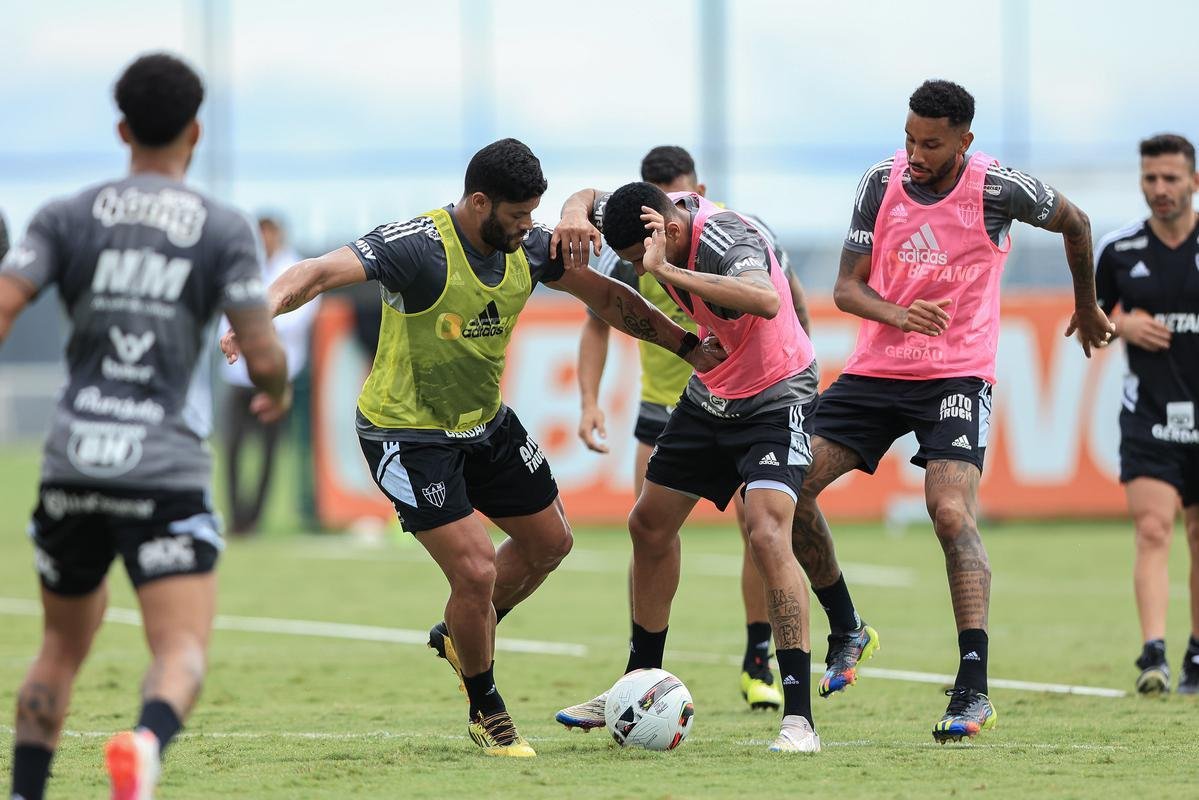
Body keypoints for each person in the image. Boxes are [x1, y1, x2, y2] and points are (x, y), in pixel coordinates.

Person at [219, 138, 722, 758]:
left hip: (483, 425)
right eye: (516, 217)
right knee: (477, 568)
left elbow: (610, 298)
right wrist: (260, 314)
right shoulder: (417, 248)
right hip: (405, 436)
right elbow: (316, 272)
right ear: (479, 202)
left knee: (551, 542)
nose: (527, 229)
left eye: (533, 215)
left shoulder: (532, 247)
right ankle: (486, 706)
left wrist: (686, 345)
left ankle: (462, 633)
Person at [787, 79, 1114, 742]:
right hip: (876, 372)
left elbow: (1075, 222)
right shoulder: (879, 182)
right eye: (908, 136)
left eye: (930, 143)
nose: (914, 151)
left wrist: (1084, 304)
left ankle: (972, 689)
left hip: (957, 374)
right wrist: (898, 313)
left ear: (964, 140)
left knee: (949, 512)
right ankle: (846, 626)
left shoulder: (999, 188)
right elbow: (845, 289)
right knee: (782, 487)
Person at [1, 53, 290, 800]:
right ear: (194, 131)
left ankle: (27, 792)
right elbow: (261, 356)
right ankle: (145, 745)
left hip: (72, 461)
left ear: (122, 128)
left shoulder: (65, 214)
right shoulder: (222, 228)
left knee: (59, 648)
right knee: (182, 648)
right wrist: (276, 391)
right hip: (160, 468)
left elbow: (5, 305)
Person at [554, 179, 823, 753]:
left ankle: (798, 719)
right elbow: (588, 193)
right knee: (647, 525)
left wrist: (665, 273)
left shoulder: (727, 238)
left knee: (767, 532)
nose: (637, 270)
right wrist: (574, 214)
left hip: (778, 395)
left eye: (638, 260)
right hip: (715, 391)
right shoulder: (648, 218)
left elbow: (766, 299)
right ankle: (635, 685)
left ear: (669, 230)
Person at [1095, 133, 1199, 695]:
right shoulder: (1119, 250)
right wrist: (1121, 326)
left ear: (1193, 182)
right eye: (1150, 178)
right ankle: (1153, 654)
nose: (1159, 189)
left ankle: (1197, 657)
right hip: (1149, 415)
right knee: (1153, 529)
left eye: (1170, 179)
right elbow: (1087, 325)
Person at [219, 215, 320, 535]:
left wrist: (256, 327)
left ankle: (254, 519)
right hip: (238, 375)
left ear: (277, 235)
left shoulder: (297, 268)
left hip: (279, 374)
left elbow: (301, 317)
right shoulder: (241, 267)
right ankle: (236, 516)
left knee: (269, 451)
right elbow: (226, 315)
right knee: (232, 447)